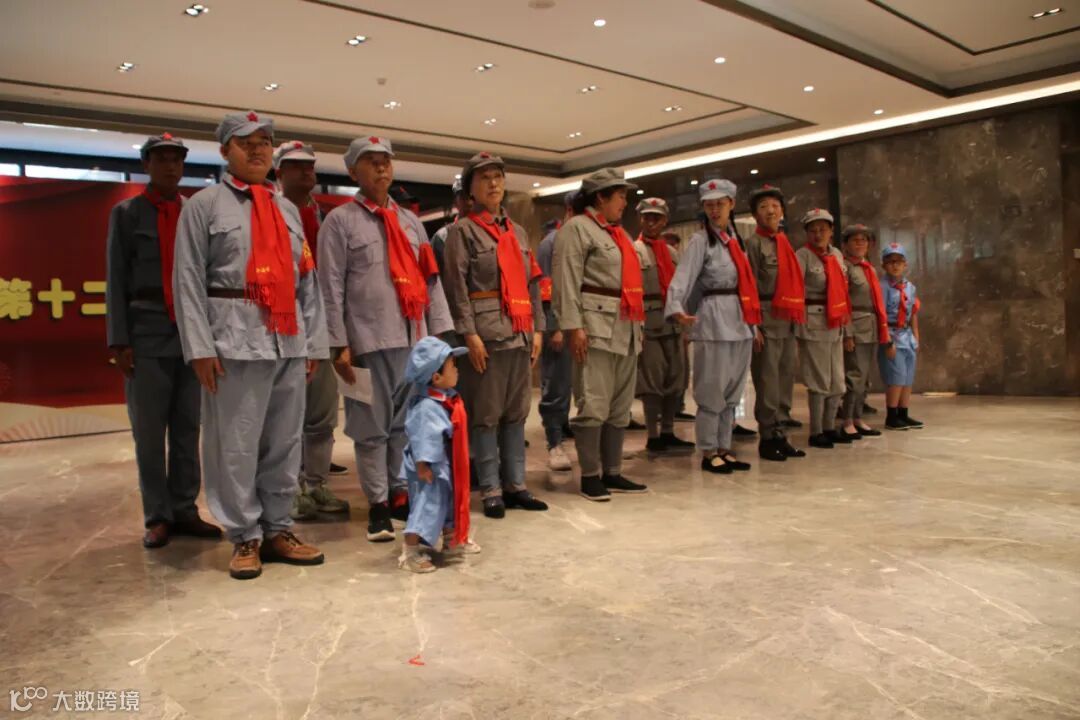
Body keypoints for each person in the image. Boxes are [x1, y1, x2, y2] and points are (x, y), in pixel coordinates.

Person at [173, 111, 328, 580]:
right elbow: (186, 279)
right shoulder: (203, 206)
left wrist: (313, 343)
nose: (258, 149)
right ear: (225, 151)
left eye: (264, 142)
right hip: (233, 340)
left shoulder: (286, 210)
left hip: (287, 340)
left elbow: (307, 280)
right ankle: (244, 534)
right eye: (246, 142)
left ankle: (278, 528)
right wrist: (200, 348)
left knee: (284, 441)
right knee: (235, 444)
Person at [318, 135, 454, 543]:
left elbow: (430, 280)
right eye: (371, 161)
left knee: (404, 424)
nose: (381, 167)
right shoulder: (340, 221)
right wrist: (337, 342)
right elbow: (330, 285)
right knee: (370, 427)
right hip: (366, 340)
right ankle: (377, 504)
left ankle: (398, 493)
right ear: (352, 171)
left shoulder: (411, 223)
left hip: (412, 339)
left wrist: (438, 336)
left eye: (386, 160)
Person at [105, 133, 221, 549]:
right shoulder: (127, 214)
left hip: (191, 334)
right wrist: (119, 341)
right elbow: (116, 277)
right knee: (150, 433)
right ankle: (158, 515)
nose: (171, 166)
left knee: (189, 427)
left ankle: (185, 509)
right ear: (146, 165)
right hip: (147, 331)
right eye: (162, 159)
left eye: (177, 159)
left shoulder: (195, 212)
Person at [442, 152, 548, 518]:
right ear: (470, 189)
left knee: (517, 413)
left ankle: (516, 485)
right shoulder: (462, 232)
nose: (493, 183)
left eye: (498, 177)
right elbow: (456, 288)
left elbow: (532, 283)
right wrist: (468, 334)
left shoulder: (517, 232)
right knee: (486, 415)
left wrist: (537, 328)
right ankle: (490, 488)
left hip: (520, 332)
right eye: (484, 177)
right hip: (486, 335)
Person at [553, 168, 647, 501]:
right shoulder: (577, 228)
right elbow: (566, 281)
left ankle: (613, 472)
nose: (625, 202)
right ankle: (591, 476)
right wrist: (573, 326)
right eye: (620, 195)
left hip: (626, 328)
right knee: (593, 403)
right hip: (595, 329)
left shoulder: (618, 234)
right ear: (600, 198)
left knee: (620, 407)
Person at [272, 141, 350, 522]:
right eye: (296, 166)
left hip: (323, 326)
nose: (306, 171)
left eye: (310, 165)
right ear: (279, 172)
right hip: (283, 324)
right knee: (286, 417)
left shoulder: (325, 216)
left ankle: (316, 483)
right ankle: (288, 491)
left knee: (322, 413)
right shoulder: (269, 212)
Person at [666, 180, 757, 474]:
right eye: (709, 205)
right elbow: (683, 276)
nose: (715, 209)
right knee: (711, 389)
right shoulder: (700, 241)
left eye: (720, 203)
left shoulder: (736, 240)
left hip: (740, 319)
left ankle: (724, 447)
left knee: (733, 390)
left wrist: (754, 325)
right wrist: (677, 308)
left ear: (732, 204)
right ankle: (708, 450)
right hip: (713, 319)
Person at [398, 336, 481, 573]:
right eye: (453, 366)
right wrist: (423, 465)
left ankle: (453, 539)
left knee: (449, 504)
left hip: (446, 464)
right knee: (426, 507)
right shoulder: (425, 407)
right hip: (430, 469)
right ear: (436, 378)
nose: (457, 370)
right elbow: (422, 439)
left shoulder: (445, 399)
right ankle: (409, 553)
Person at [744, 185, 806, 462]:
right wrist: (753, 324)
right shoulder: (753, 244)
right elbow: (748, 286)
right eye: (763, 207)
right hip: (766, 320)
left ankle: (781, 433)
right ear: (755, 214)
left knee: (785, 379)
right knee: (767, 381)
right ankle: (768, 437)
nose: (770, 211)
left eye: (775, 206)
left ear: (782, 211)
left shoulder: (784, 242)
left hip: (786, 320)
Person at [632, 198, 693, 454]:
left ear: (665, 221)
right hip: (649, 324)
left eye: (656, 218)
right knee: (652, 382)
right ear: (640, 220)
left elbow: (681, 289)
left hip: (673, 322)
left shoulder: (672, 253)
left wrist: (685, 324)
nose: (651, 222)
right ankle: (653, 435)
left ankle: (668, 431)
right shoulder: (634, 250)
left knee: (675, 379)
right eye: (647, 217)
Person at [794, 209, 851, 449]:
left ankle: (830, 427)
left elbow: (843, 289)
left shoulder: (836, 254)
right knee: (819, 380)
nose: (818, 234)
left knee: (837, 380)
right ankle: (816, 431)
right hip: (814, 322)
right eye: (813, 230)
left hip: (835, 321)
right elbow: (795, 289)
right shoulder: (803, 256)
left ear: (831, 231)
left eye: (823, 229)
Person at [537, 194, 576, 471]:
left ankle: (564, 428)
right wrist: (555, 327)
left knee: (570, 385)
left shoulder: (580, 239)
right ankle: (554, 442)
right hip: (559, 324)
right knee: (556, 385)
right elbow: (546, 289)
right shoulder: (552, 242)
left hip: (580, 323)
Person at [839, 223, 888, 440]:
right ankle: (847, 420)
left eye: (864, 240)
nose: (860, 244)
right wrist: (847, 332)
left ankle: (858, 417)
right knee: (855, 377)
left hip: (870, 326)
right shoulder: (845, 268)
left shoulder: (869, 268)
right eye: (855, 240)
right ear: (846, 244)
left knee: (865, 377)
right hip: (856, 327)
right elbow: (843, 302)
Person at [879, 242, 923, 430]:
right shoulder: (882, 287)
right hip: (891, 334)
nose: (895, 265)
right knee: (896, 378)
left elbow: (913, 313)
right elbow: (880, 314)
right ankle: (892, 416)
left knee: (907, 378)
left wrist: (916, 336)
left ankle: (903, 413)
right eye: (890, 262)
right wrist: (887, 341)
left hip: (907, 336)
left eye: (899, 261)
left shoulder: (909, 287)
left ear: (905, 264)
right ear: (884, 265)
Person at [430, 179, 472, 277]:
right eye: (463, 197)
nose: (469, 202)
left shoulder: (487, 233)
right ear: (456, 203)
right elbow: (433, 276)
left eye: (472, 197)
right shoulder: (442, 236)